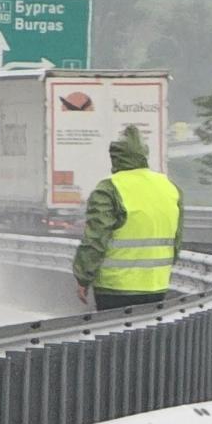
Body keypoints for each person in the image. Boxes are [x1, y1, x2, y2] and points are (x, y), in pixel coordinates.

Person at [72, 125, 182, 310]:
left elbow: (96, 239)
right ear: (143, 155)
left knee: (115, 336)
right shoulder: (169, 187)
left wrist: (83, 278)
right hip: (157, 286)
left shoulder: (109, 189)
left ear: (115, 158)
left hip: (115, 288)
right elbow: (176, 241)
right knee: (147, 337)